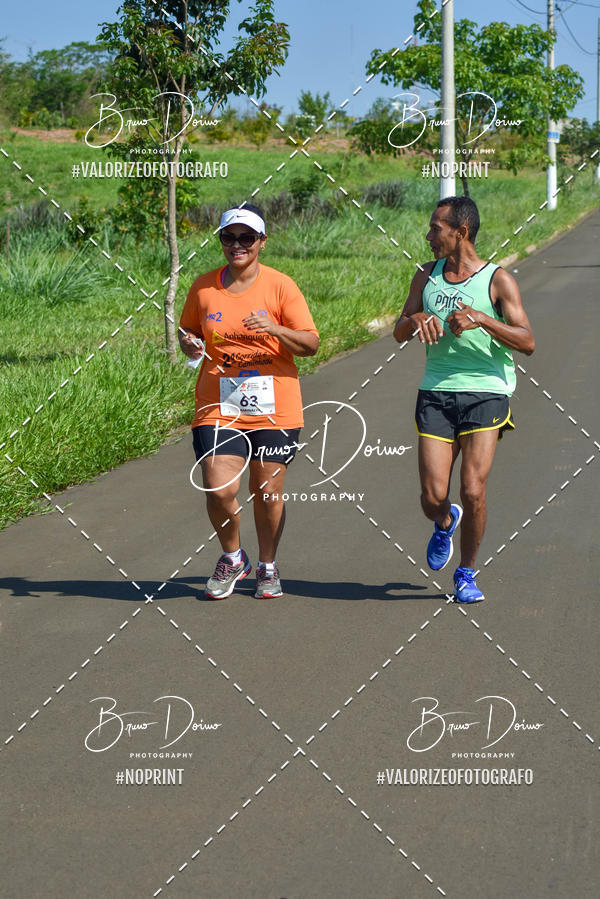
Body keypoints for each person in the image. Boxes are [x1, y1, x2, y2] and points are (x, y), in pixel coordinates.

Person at [393, 196, 535, 602]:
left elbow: (527, 341)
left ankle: (467, 573)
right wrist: (415, 319)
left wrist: (483, 318)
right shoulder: (425, 275)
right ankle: (443, 521)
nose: (428, 235)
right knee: (432, 496)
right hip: (436, 393)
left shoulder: (497, 280)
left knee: (473, 489)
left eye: (436, 228)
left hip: (486, 392)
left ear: (461, 232)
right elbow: (399, 331)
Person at [178, 204, 319, 600]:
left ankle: (268, 566)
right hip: (218, 404)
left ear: (262, 242)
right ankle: (233, 556)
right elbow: (189, 333)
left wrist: (274, 327)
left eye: (246, 237)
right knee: (219, 487)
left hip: (275, 407)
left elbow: (310, 343)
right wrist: (189, 343)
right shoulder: (204, 287)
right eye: (228, 237)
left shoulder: (280, 286)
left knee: (267, 490)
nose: (236, 245)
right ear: (220, 240)